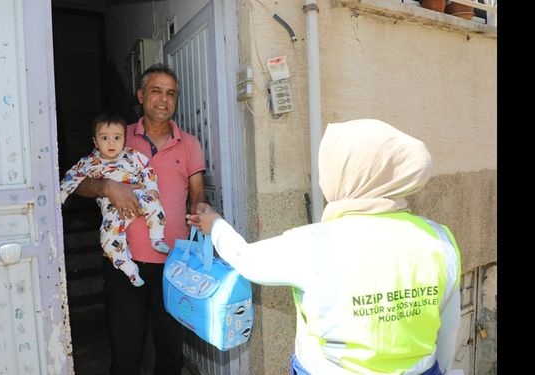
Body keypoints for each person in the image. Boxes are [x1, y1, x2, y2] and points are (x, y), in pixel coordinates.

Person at [187, 119, 461, 375]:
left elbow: (245, 259)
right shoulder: (439, 238)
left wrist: (215, 225)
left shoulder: (314, 243)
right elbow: (449, 328)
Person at [73, 63, 207, 375]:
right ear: (141, 95)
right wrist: (108, 186)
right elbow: (79, 184)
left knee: (170, 350)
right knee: (125, 351)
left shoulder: (189, 144)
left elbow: (197, 194)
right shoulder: (118, 136)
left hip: (175, 264)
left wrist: (202, 212)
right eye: (157, 91)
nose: (164, 99)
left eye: (171, 93)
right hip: (124, 262)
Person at [60, 112, 170, 287]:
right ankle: (130, 270)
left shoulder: (132, 156)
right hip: (113, 211)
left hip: (137, 198)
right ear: (95, 142)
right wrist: (59, 199)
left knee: (154, 204)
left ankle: (157, 237)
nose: (111, 143)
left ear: (124, 140)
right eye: (105, 138)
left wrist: (152, 189)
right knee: (107, 240)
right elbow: (70, 179)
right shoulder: (89, 162)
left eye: (117, 137)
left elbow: (147, 170)